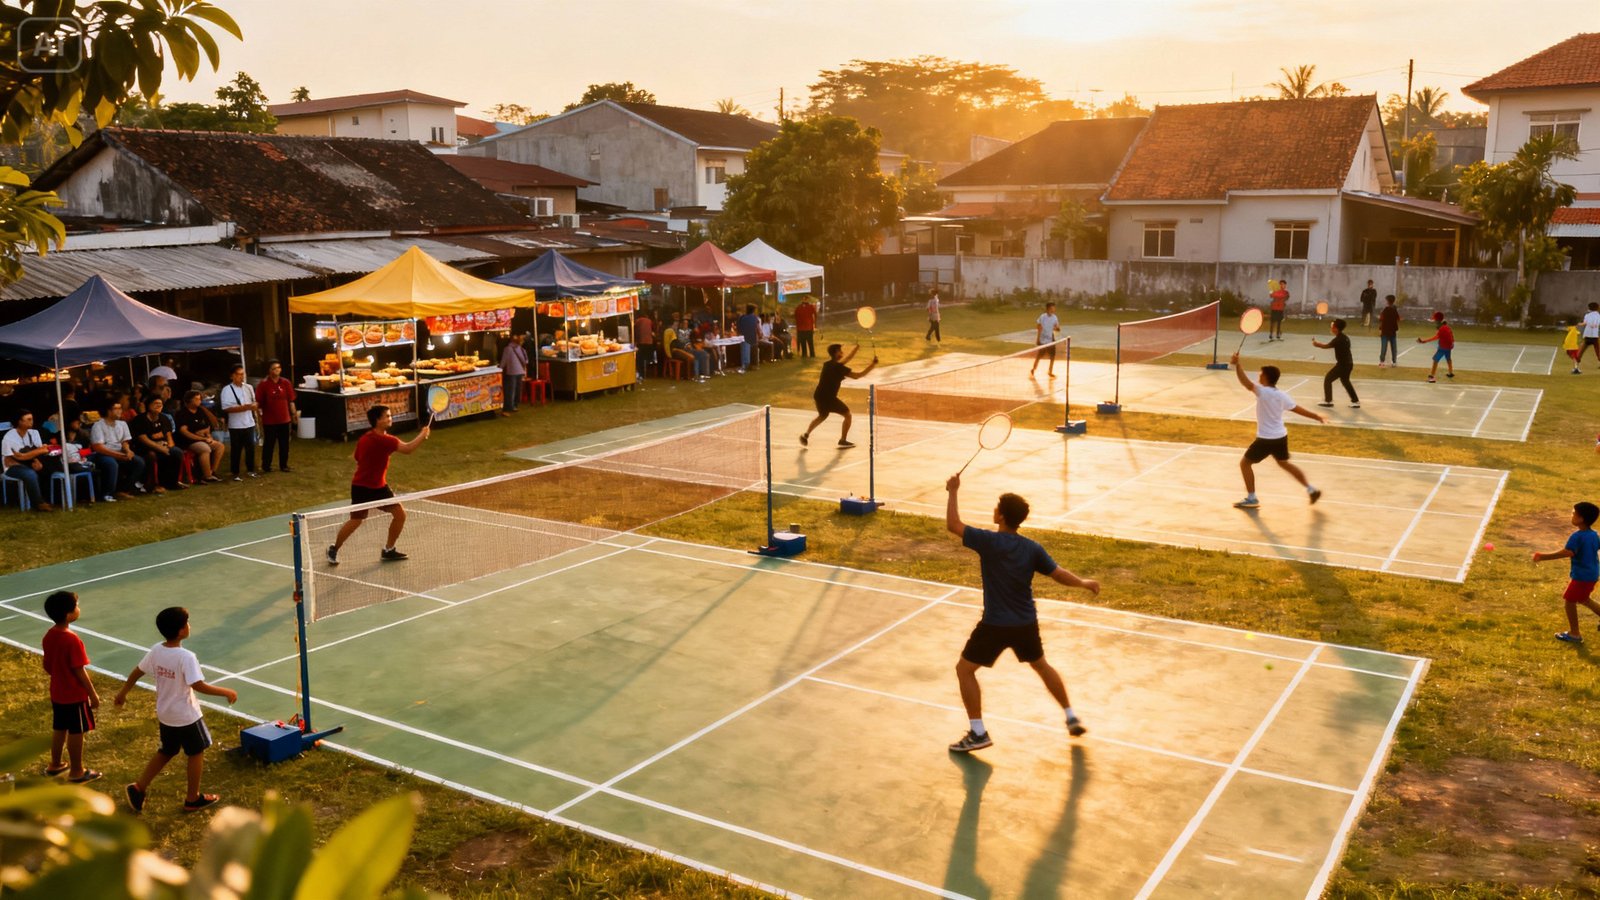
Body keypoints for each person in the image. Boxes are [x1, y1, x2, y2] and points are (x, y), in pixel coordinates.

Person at [944, 473, 1099, 752]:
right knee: (1041, 665)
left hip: (994, 624)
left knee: (964, 670)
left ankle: (978, 733)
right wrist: (1084, 583)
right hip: (1026, 623)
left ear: (1001, 517)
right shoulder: (1031, 548)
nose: (993, 511)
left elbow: (953, 525)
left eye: (996, 508)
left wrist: (953, 491)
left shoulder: (988, 542)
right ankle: (1070, 716)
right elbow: (1058, 574)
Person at [114, 606, 237, 813]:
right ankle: (192, 798)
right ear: (181, 631)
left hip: (166, 714)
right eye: (187, 623)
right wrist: (226, 692)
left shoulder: (156, 650)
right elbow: (198, 685)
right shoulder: (186, 657)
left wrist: (123, 692)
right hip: (186, 716)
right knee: (196, 752)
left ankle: (139, 787)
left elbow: (137, 672)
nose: (189, 625)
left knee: (167, 750)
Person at [326, 405, 430, 564]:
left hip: (379, 487)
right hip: (363, 488)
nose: (390, 418)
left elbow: (357, 457)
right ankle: (334, 548)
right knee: (356, 520)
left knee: (399, 514)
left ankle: (389, 550)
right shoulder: (387, 440)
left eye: (390, 415)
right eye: (387, 416)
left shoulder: (364, 438)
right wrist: (423, 435)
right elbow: (408, 449)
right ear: (377, 420)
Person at [1229, 352, 1327, 509]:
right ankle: (1311, 489)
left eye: (1261, 374)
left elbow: (1246, 383)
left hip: (1265, 439)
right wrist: (1316, 416)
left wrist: (1237, 364)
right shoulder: (1282, 395)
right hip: (1281, 437)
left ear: (1266, 377)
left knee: (1245, 464)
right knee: (1284, 463)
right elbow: (1298, 409)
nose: (1259, 376)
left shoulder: (1262, 392)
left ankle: (1252, 498)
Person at [42, 590, 100, 783]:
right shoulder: (72, 639)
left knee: (59, 728)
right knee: (76, 731)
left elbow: (48, 665)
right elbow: (79, 670)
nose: (78, 609)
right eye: (76, 606)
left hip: (57, 693)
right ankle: (77, 771)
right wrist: (92, 694)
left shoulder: (49, 635)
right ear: (68, 614)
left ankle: (55, 764)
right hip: (74, 696)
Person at [1532, 501, 1600, 644]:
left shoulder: (1577, 536)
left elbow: (1568, 552)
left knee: (1569, 601)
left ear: (1581, 519)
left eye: (1574, 513)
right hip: (1592, 573)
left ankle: (1574, 634)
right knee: (1583, 599)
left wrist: (1543, 556)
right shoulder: (1594, 534)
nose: (1572, 515)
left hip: (1582, 576)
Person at [799, 343, 877, 449]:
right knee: (848, 415)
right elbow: (857, 376)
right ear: (835, 353)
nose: (842, 353)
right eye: (840, 351)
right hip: (829, 398)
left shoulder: (828, 364)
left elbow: (847, 359)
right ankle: (843, 440)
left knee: (822, 415)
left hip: (818, 395)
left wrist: (856, 348)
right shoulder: (839, 368)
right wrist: (872, 365)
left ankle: (806, 435)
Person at [2, 410, 55, 512]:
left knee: (49, 467)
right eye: (28, 419)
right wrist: (37, 453)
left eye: (32, 419)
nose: (32, 422)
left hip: (29, 462)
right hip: (13, 466)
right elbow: (8, 461)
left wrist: (36, 458)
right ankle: (38, 503)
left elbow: (40, 451)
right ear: (20, 422)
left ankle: (51, 499)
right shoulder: (9, 437)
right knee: (30, 474)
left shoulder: (34, 433)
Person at [90, 398, 143, 498]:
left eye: (120, 408)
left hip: (120, 452)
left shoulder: (122, 424)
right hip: (103, 454)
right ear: (108, 411)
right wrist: (118, 455)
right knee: (111, 463)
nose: (119, 411)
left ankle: (125, 489)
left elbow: (125, 441)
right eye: (116, 408)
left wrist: (128, 450)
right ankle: (108, 493)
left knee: (139, 462)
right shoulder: (98, 425)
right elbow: (98, 447)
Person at [132, 397, 185, 493]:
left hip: (163, 446)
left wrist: (170, 446)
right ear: (149, 405)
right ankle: (151, 484)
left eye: (160, 403)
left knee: (176, 452)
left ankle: (171, 483)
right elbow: (143, 439)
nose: (159, 405)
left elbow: (169, 436)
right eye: (155, 403)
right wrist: (160, 448)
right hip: (145, 447)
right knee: (151, 455)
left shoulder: (164, 418)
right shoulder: (140, 419)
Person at [173, 390, 224, 483]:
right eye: (196, 399)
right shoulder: (182, 413)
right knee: (204, 448)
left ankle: (212, 471)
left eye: (200, 399)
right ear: (189, 400)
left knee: (219, 446)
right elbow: (184, 432)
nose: (199, 401)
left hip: (203, 438)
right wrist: (201, 437)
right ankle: (206, 475)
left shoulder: (201, 411)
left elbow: (207, 426)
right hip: (189, 441)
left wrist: (208, 436)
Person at [219, 364, 259, 480]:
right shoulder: (227, 390)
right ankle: (235, 472)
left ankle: (251, 470)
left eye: (243, 374)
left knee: (250, 448)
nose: (241, 377)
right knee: (236, 449)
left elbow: (254, 402)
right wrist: (245, 407)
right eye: (238, 374)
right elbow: (226, 408)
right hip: (236, 425)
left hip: (249, 422)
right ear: (232, 376)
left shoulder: (249, 387)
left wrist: (254, 406)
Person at [257, 359, 298, 468]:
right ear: (269, 370)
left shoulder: (285, 382)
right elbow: (259, 402)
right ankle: (266, 465)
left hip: (284, 419)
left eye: (278, 368)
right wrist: (259, 417)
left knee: (284, 444)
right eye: (274, 368)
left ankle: (283, 464)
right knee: (269, 444)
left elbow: (291, 400)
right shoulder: (264, 384)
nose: (277, 370)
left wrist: (294, 415)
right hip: (269, 420)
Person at [1312, 318, 1360, 409]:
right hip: (1348, 364)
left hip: (1343, 365)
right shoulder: (1345, 337)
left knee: (1328, 379)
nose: (1331, 328)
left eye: (1332, 326)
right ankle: (1355, 401)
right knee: (1345, 381)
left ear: (1336, 329)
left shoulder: (1338, 339)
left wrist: (1316, 344)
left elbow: (1326, 346)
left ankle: (1328, 401)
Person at [1417, 312, 1454, 383]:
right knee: (1448, 359)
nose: (1434, 322)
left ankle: (1432, 377)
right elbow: (1451, 334)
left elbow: (1435, 337)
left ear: (1437, 320)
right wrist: (1452, 343)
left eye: (1435, 320)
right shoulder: (1446, 326)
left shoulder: (1442, 329)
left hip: (1443, 347)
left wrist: (1424, 341)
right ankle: (1450, 373)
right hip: (1449, 346)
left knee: (1435, 360)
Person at [498, 334, 528, 416]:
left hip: (511, 372)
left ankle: (507, 409)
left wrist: (499, 368)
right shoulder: (521, 349)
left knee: (509, 391)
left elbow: (504, 361)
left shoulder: (507, 349)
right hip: (520, 372)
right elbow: (526, 360)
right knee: (517, 390)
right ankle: (515, 405)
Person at [1029, 301, 1062, 377]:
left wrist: (1057, 328)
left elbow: (1058, 328)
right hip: (1043, 340)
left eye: (1054, 308)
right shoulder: (1042, 317)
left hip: (1051, 339)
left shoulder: (1055, 317)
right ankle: (1033, 369)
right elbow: (1038, 327)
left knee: (1052, 356)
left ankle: (1050, 371)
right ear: (1048, 309)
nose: (1053, 309)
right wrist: (1038, 339)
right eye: (1052, 308)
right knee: (1039, 356)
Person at [1377, 294, 1400, 367]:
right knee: (1394, 348)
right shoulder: (1394, 309)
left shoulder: (1385, 309)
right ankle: (1394, 362)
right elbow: (1398, 319)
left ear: (1388, 301)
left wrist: (1380, 329)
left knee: (1384, 347)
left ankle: (1382, 361)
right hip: (1392, 331)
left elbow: (1381, 319)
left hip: (1385, 331)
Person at [735, 304, 760, 372]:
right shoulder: (755, 318)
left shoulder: (742, 317)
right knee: (752, 352)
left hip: (744, 337)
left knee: (745, 352)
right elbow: (757, 327)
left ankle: (745, 365)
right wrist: (759, 335)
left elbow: (738, 328)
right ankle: (753, 365)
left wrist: (739, 334)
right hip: (752, 337)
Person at [1582, 302, 1600, 367]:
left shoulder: (1588, 315)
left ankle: (1576, 361)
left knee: (1582, 350)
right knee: (1598, 351)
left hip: (1589, 336)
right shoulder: (1597, 315)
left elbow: (1585, 323)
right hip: (1594, 336)